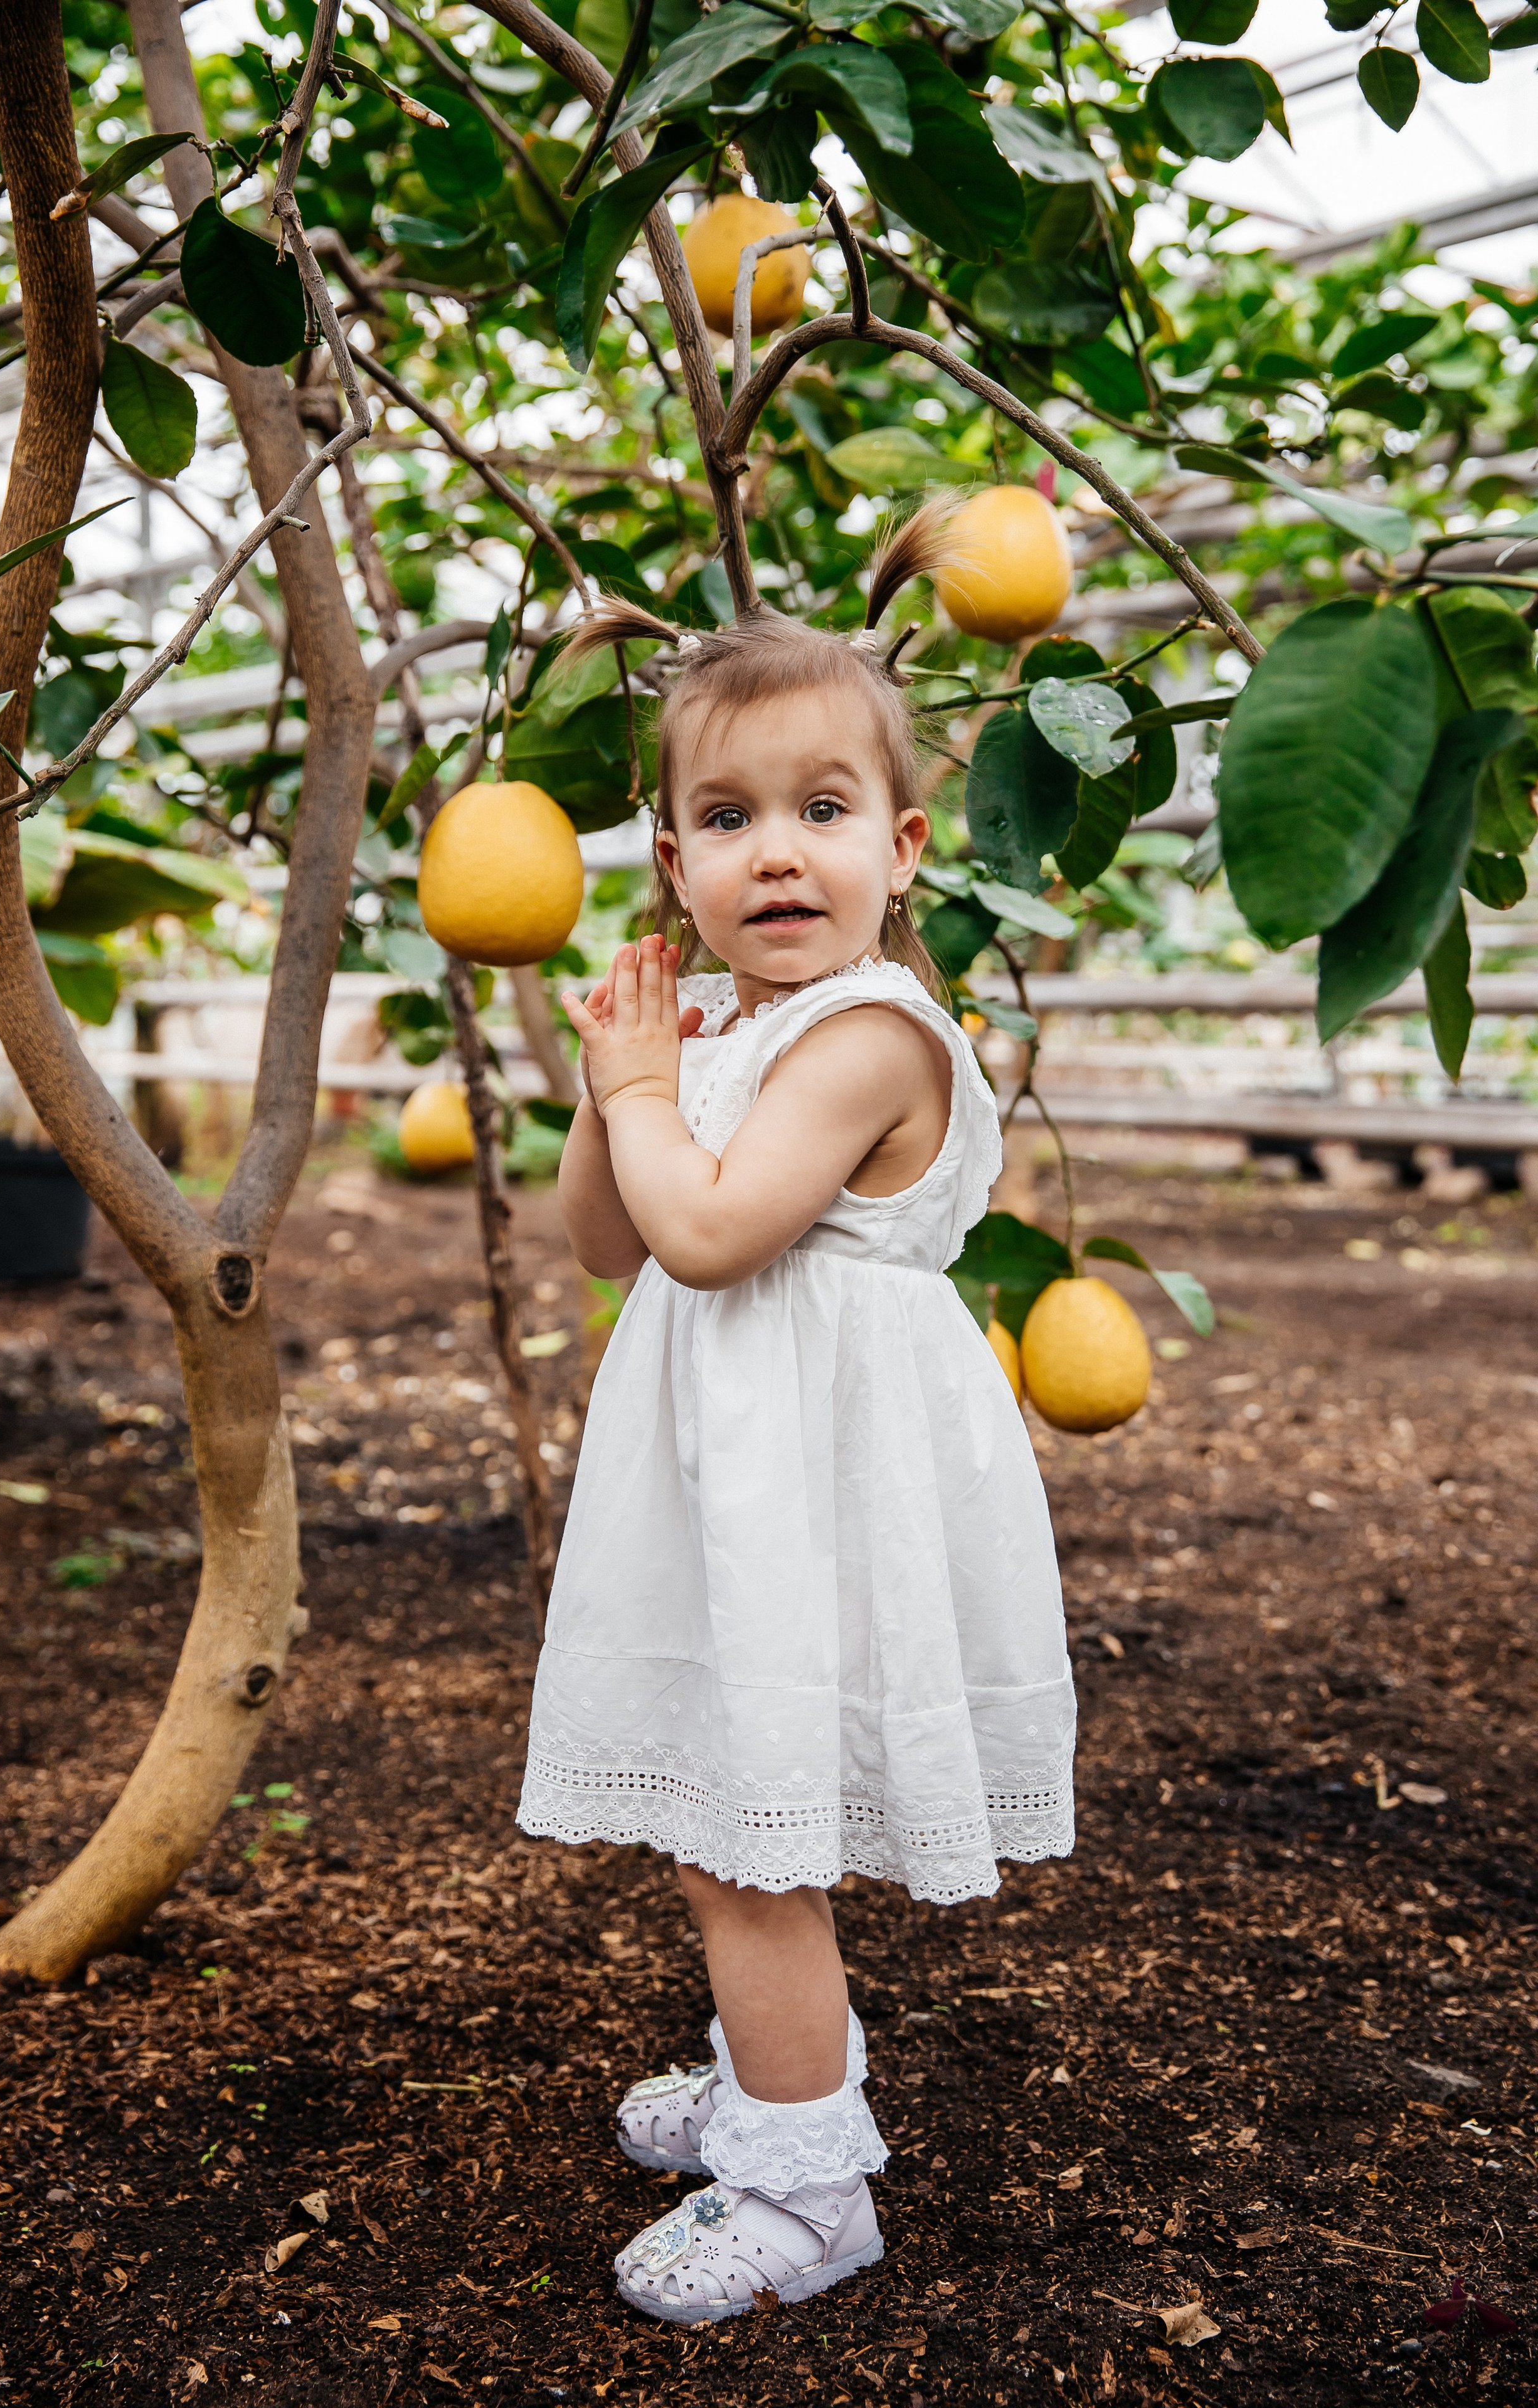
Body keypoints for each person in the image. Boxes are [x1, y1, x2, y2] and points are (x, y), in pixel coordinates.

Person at [516, 504, 1075, 2326]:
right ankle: (778, 2075)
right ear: (671, 861)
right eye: (730, 818)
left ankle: (810, 2182)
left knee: (748, 1841)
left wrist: (637, 1092)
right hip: (731, 1482)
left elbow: (711, 1228)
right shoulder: (724, 1034)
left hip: (822, 1491)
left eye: (824, 812)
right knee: (723, 1818)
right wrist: (623, 1091)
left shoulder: (868, 1033)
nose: (779, 854)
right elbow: (614, 1235)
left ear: (901, 848)